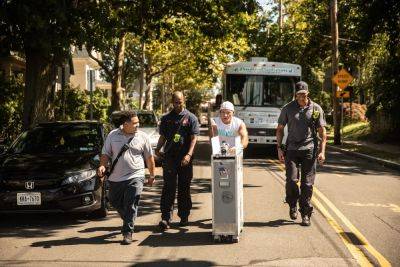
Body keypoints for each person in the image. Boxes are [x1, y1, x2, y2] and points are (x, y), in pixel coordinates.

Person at [97, 110, 155, 245]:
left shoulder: (143, 137)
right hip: (116, 178)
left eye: (138, 123)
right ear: (125, 124)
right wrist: (102, 166)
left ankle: (127, 232)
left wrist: (152, 174)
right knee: (113, 200)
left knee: (131, 203)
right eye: (135, 123)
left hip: (136, 175)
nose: (138, 126)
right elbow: (106, 153)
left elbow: (149, 157)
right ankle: (129, 218)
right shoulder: (112, 135)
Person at [276, 81, 327, 226]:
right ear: (295, 95)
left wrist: (322, 151)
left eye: (304, 95)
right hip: (291, 149)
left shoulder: (316, 108)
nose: (302, 98)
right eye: (299, 95)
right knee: (291, 180)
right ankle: (292, 203)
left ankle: (305, 213)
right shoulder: (287, 108)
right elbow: (280, 129)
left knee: (307, 184)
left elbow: (322, 132)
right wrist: (279, 148)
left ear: (308, 93)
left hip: (309, 150)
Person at [155, 91, 200, 230]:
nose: (178, 104)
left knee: (184, 188)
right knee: (168, 188)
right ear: (172, 102)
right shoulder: (166, 118)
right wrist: (157, 149)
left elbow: (194, 139)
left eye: (180, 101)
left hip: (184, 159)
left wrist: (188, 155)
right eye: (175, 102)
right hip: (169, 158)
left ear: (183, 100)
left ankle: (184, 216)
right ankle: (166, 218)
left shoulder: (191, 118)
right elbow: (163, 137)